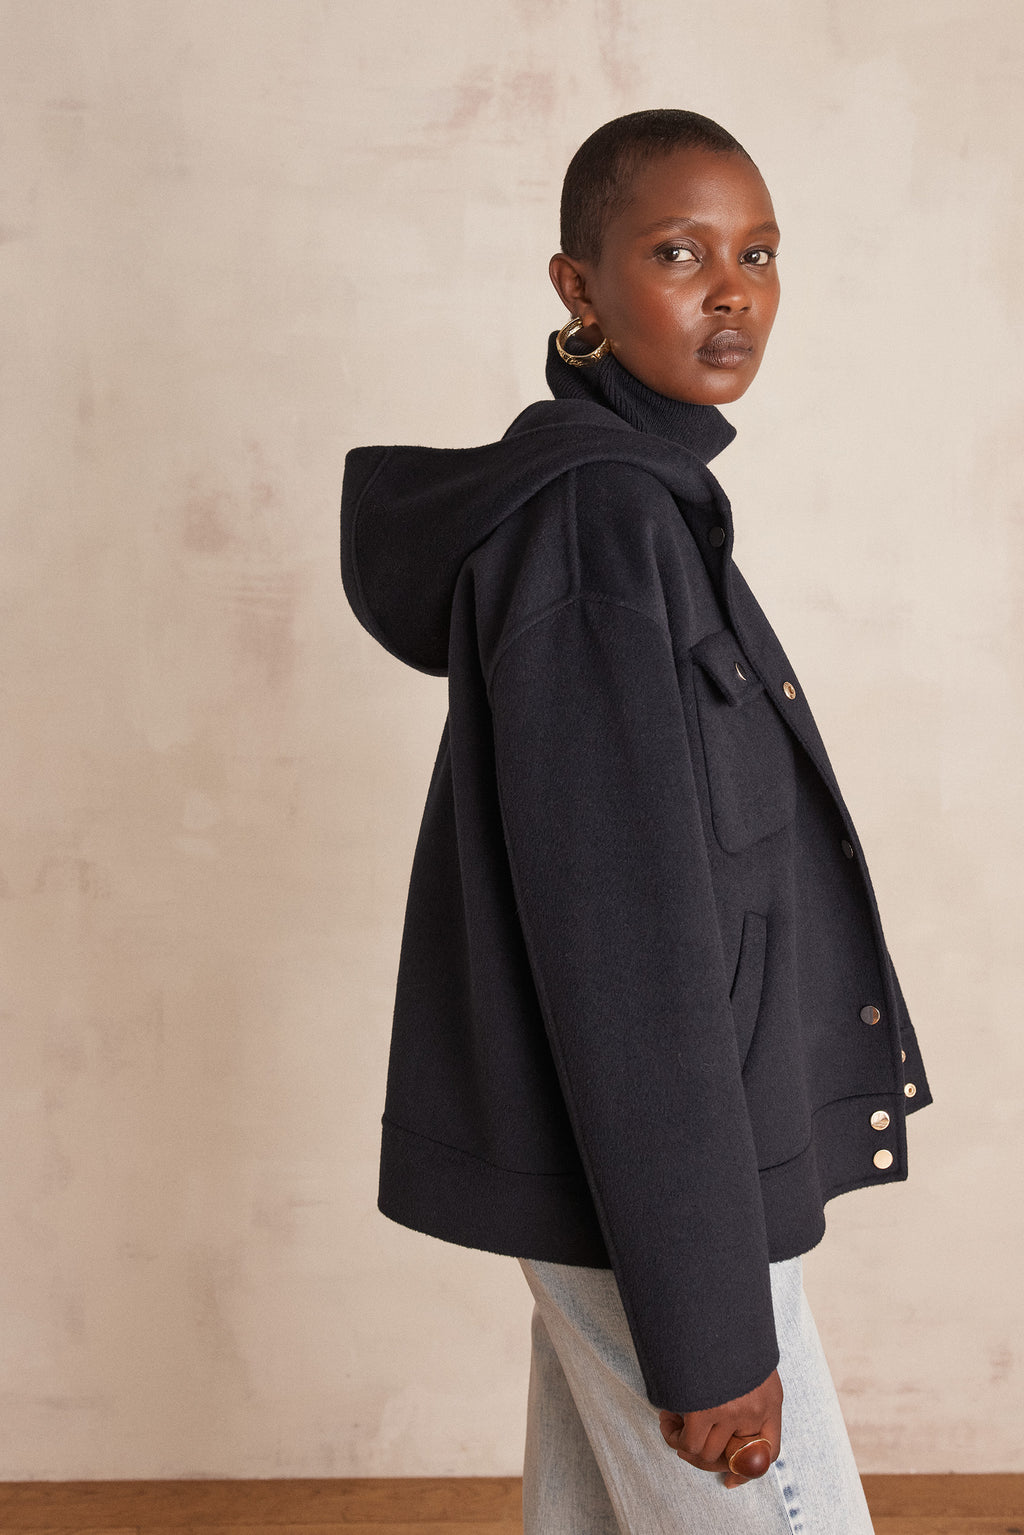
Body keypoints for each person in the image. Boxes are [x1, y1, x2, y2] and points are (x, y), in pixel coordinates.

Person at [340, 109, 932, 1534]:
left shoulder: (646, 514)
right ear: (579, 287)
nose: (733, 292)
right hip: (663, 1199)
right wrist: (712, 1330)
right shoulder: (597, 529)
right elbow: (627, 948)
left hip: (657, 1186)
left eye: (759, 255)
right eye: (679, 253)